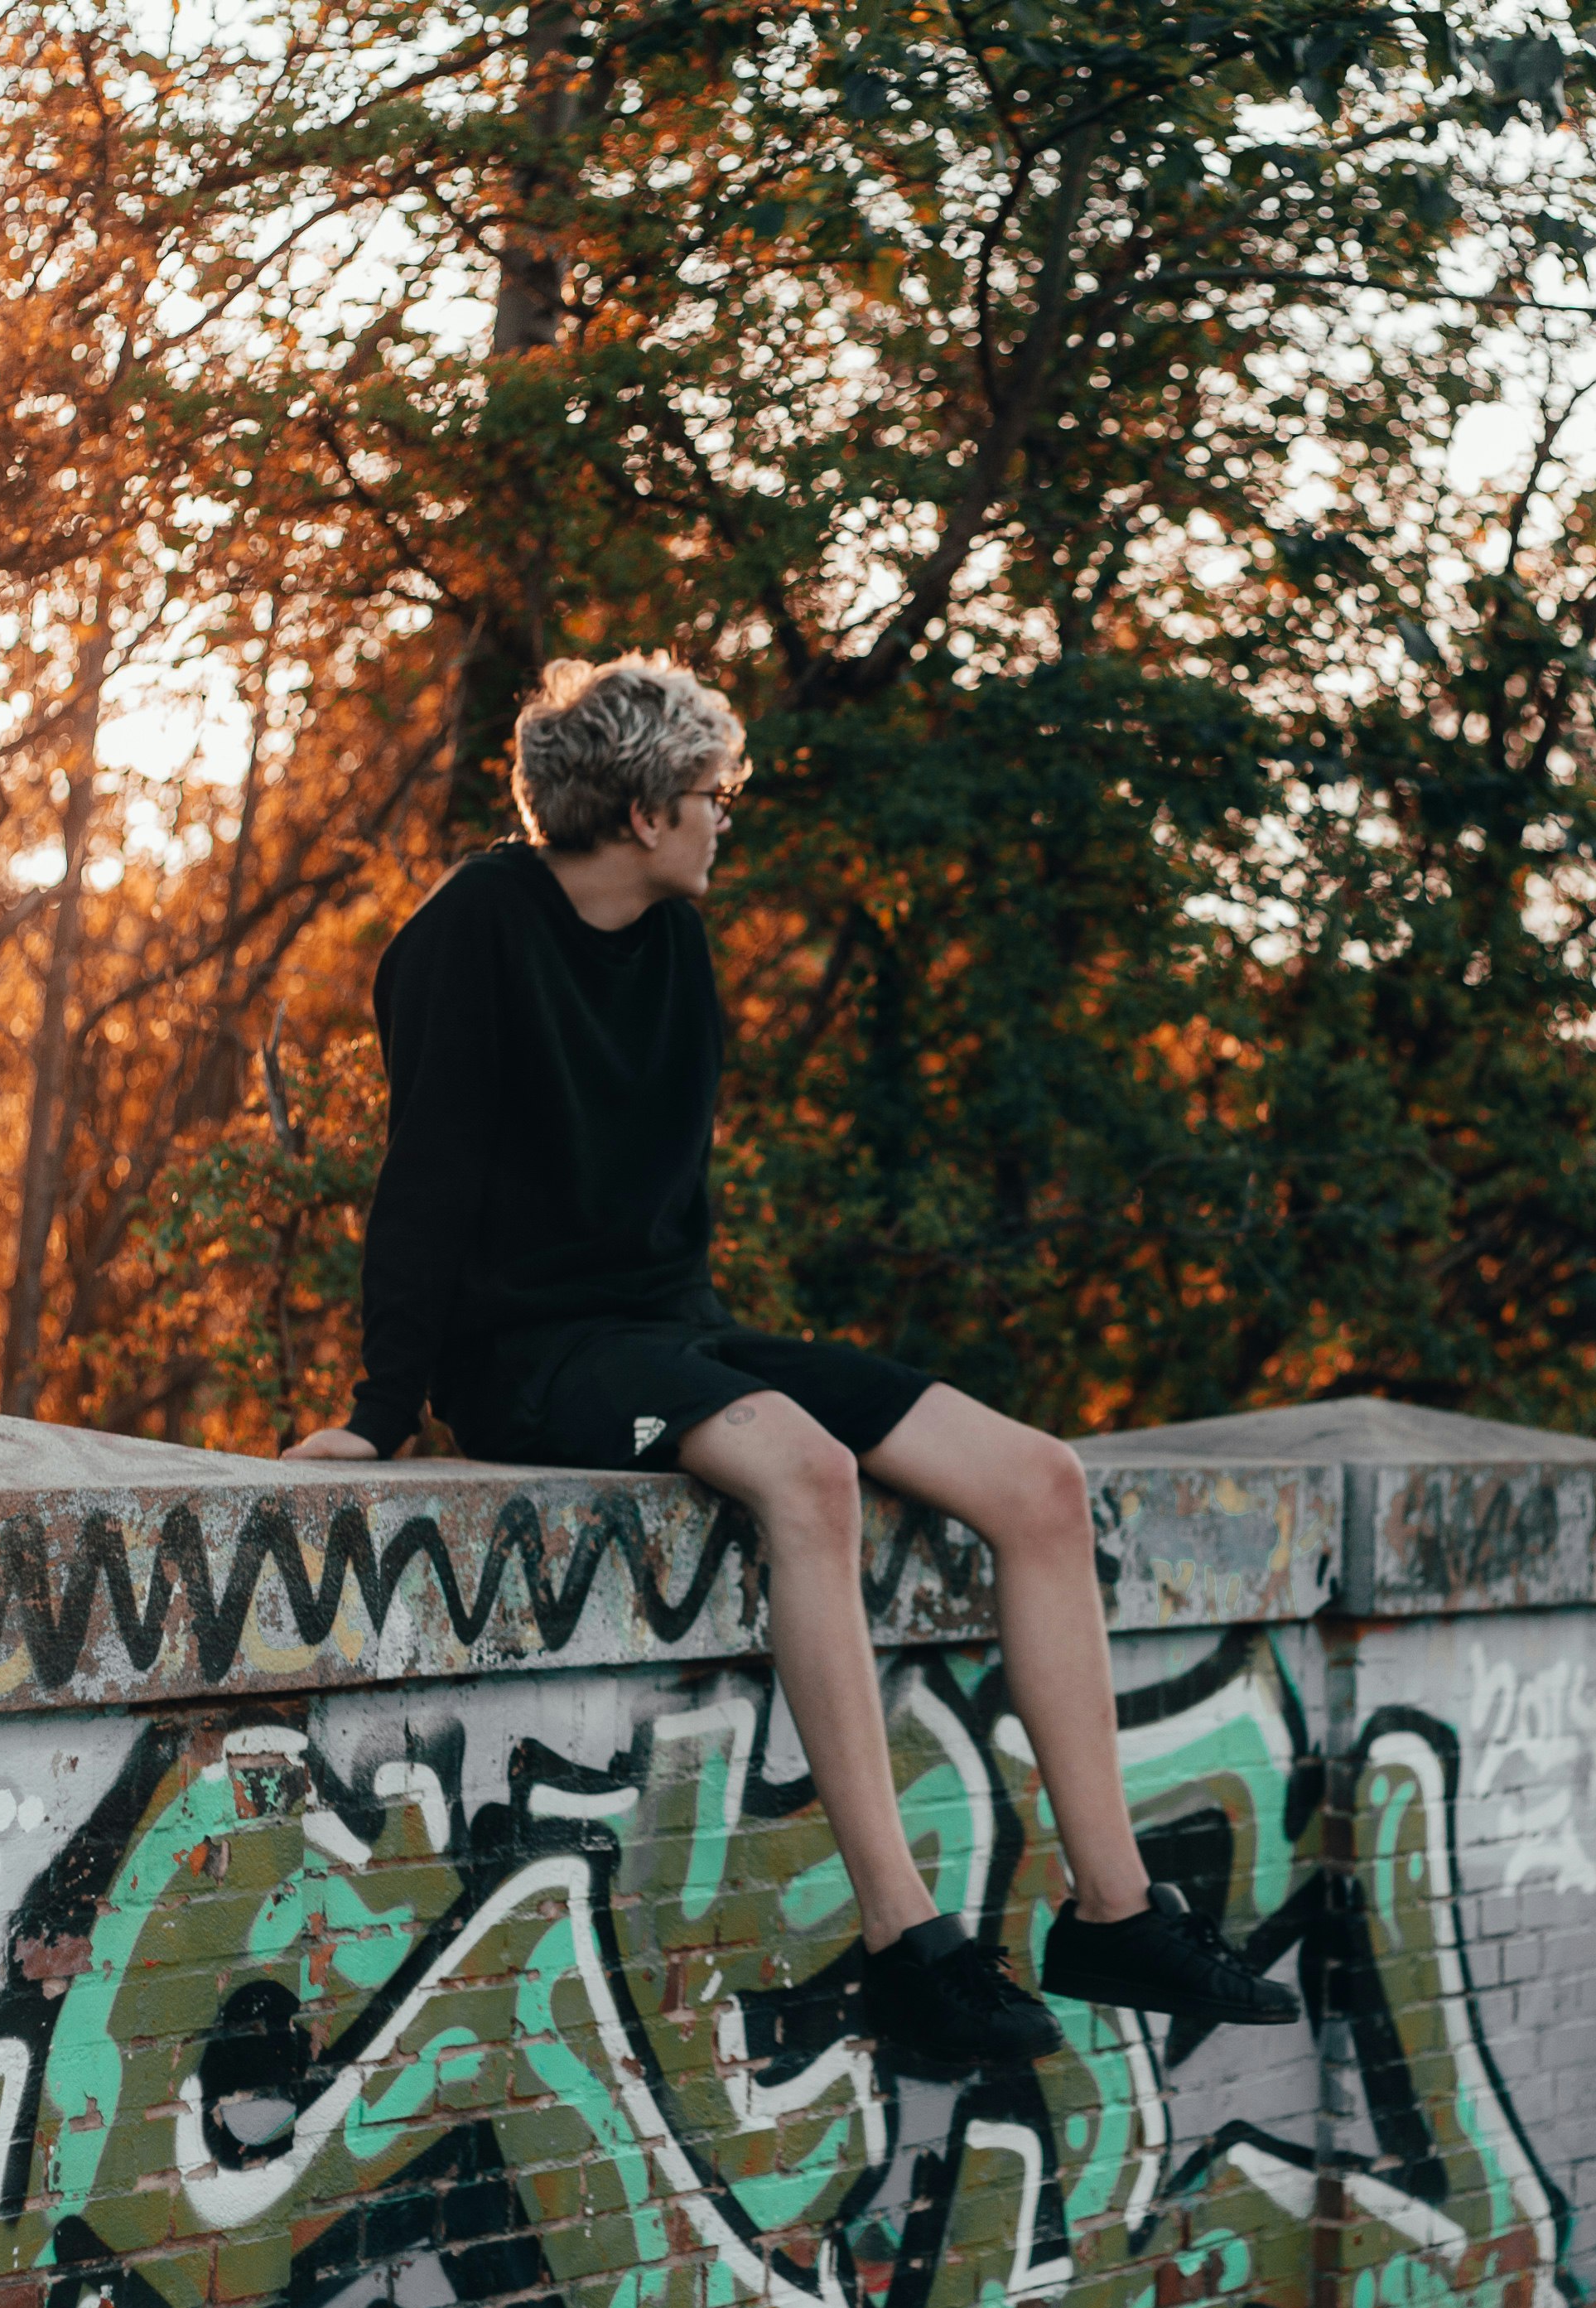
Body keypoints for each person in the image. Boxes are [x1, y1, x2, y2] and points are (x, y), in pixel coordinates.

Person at [287, 654, 1297, 2067]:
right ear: (641, 812)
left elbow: (665, 1201)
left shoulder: (673, 945)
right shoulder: (472, 932)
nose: (724, 821)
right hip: (528, 1353)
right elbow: (429, 1179)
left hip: (668, 1329)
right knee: (806, 1474)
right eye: (711, 796)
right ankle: (906, 1939)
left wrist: (711, 1358)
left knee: (1039, 1482)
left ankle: (1116, 1913)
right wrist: (382, 1414)